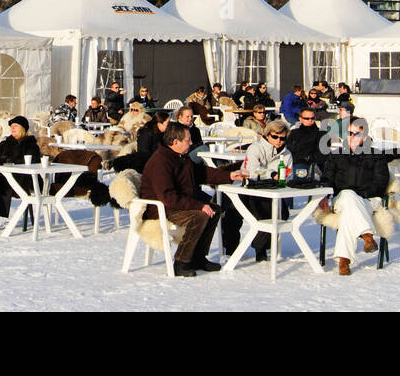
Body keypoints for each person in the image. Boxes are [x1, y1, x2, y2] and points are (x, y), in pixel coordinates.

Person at [141, 122, 244, 277]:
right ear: (176, 142)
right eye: (188, 140)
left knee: (214, 210)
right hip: (161, 208)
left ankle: (198, 257)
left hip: (176, 204)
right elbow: (168, 196)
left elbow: (201, 173)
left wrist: (228, 175)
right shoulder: (161, 162)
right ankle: (181, 262)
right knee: (200, 215)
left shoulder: (180, 157)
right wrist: (199, 205)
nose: (191, 143)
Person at [318, 118, 393, 276]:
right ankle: (366, 235)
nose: (351, 137)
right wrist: (324, 195)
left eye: (356, 134)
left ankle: (344, 261)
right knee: (348, 195)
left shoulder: (376, 156)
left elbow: (381, 182)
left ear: (365, 136)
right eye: (349, 133)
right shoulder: (336, 155)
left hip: (369, 200)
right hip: (342, 200)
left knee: (349, 207)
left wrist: (361, 194)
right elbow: (326, 179)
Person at [221, 120, 293, 263]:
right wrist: (272, 174)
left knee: (281, 214)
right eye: (275, 137)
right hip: (249, 187)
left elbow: (289, 173)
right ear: (267, 135)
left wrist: (282, 178)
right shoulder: (256, 148)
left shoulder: (287, 154)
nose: (279, 141)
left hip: (272, 191)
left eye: (282, 138)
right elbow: (252, 170)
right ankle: (230, 249)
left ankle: (260, 247)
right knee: (233, 210)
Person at [288, 106, 328, 171]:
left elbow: (322, 155)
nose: (310, 120)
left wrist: (307, 157)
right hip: (292, 163)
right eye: (307, 118)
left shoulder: (321, 134)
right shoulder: (293, 133)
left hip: (311, 166)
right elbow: (289, 149)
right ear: (300, 119)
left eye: (312, 118)